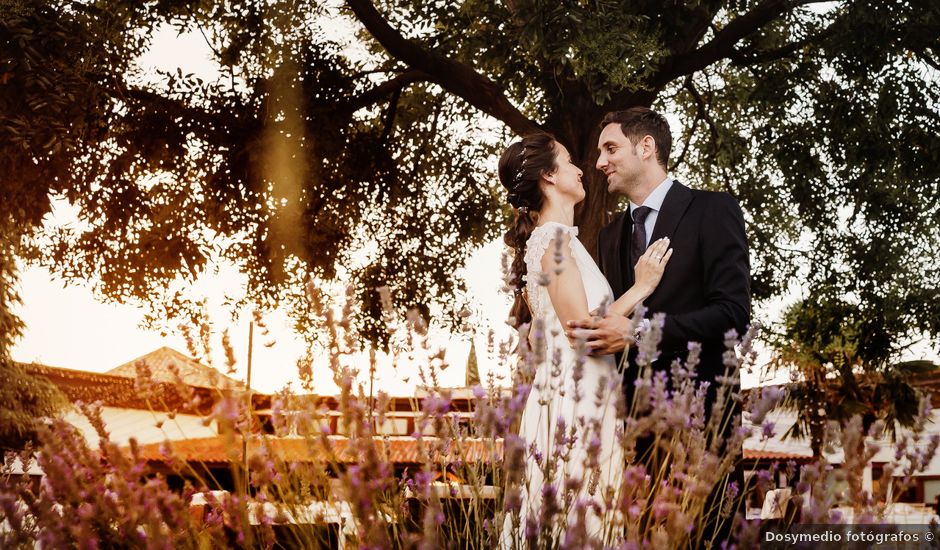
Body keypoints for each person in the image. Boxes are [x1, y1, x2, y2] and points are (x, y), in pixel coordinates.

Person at [497, 131, 672, 546]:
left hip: (588, 394)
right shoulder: (553, 240)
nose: (582, 169)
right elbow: (581, 330)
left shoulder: (563, 242)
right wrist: (641, 287)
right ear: (548, 176)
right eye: (570, 161)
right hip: (573, 403)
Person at [568, 106, 750, 416]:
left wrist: (642, 333)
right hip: (631, 415)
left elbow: (733, 313)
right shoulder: (608, 236)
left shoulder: (712, 209)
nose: (600, 163)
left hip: (701, 407)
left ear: (646, 147)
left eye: (610, 149)